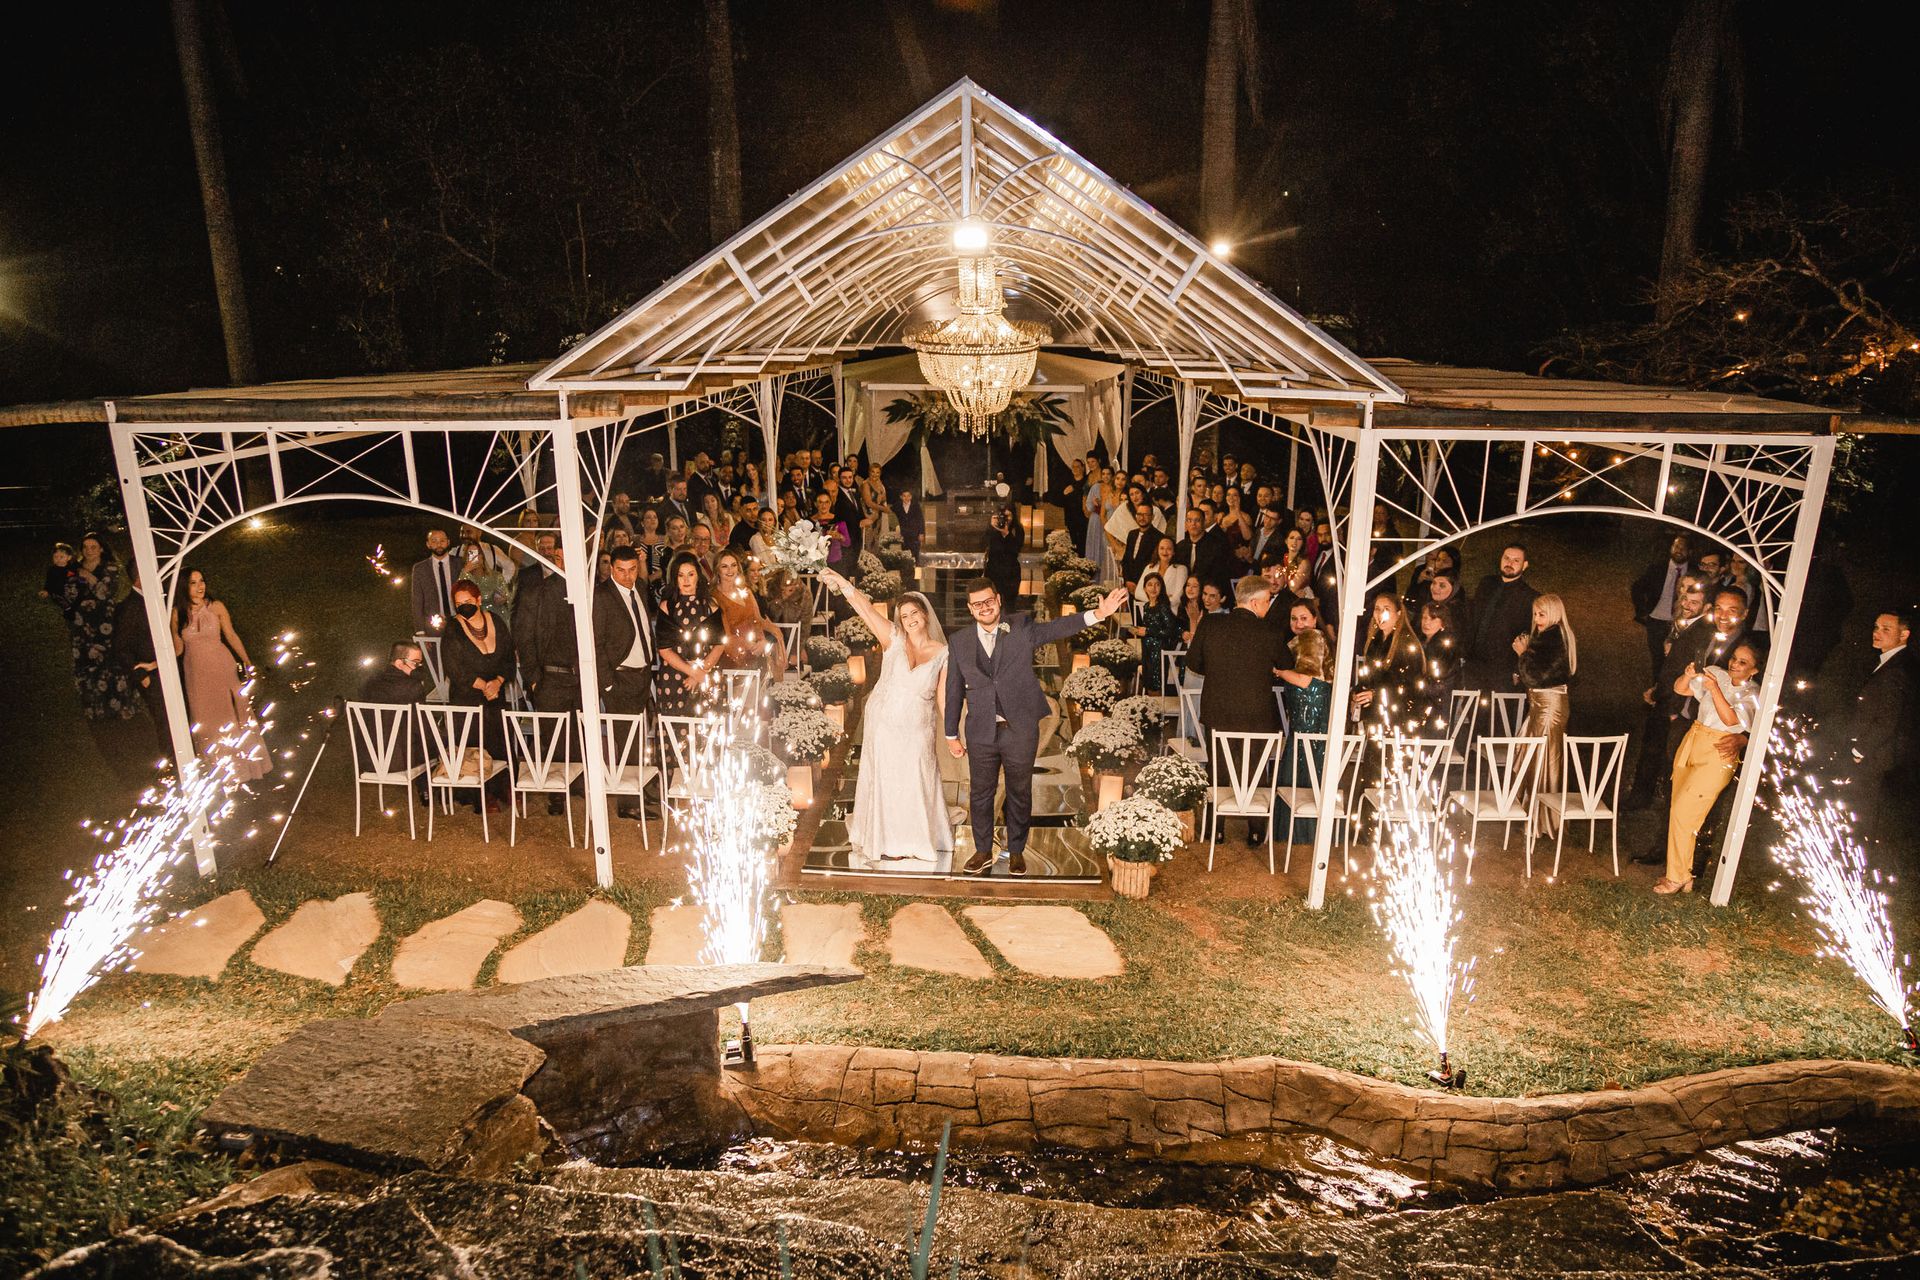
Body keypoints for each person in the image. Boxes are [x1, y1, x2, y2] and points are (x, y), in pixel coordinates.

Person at [946, 577, 1129, 876]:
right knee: (980, 793)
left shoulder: (1020, 628)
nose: (984, 607)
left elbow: (1057, 628)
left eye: (989, 601)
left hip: (1019, 729)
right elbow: (953, 689)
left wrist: (1099, 614)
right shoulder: (959, 642)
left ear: (998, 600)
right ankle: (982, 851)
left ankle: (1016, 851)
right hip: (980, 731)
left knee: (1019, 791)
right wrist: (951, 734)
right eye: (977, 604)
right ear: (970, 608)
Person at [818, 567, 952, 867]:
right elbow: (864, 608)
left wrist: (954, 734)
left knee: (915, 777)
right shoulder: (893, 638)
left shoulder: (943, 653)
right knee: (889, 779)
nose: (910, 619)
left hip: (918, 727)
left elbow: (943, 698)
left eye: (914, 613)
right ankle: (889, 840)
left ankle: (917, 837)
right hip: (884, 724)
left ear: (925, 615)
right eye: (904, 616)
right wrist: (842, 582)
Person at [1186, 576, 1292, 844]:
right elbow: (1285, 663)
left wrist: (1218, 669)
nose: (1268, 606)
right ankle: (1255, 830)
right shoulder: (1269, 631)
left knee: (1218, 769)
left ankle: (1215, 829)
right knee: (1255, 770)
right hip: (1257, 713)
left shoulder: (1211, 623)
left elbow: (1194, 662)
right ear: (1255, 602)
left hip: (1218, 709)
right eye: (1266, 601)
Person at [1660, 642, 1762, 894]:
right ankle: (1682, 873)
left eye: (1742, 662)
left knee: (1684, 812)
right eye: (1734, 658)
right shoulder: (1717, 673)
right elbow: (1680, 689)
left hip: (1718, 752)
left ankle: (1677, 877)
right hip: (1694, 741)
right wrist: (1688, 675)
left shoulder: (1753, 694)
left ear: (1754, 670)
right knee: (1678, 809)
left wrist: (1714, 688)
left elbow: (1732, 720)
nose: (1734, 664)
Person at [171, 567, 269, 783]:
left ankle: (243, 768)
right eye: (194, 583)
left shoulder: (216, 607)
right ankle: (217, 770)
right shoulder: (177, 612)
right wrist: (155, 662)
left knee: (230, 715)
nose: (200, 586)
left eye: (202, 581)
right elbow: (177, 649)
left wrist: (247, 661)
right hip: (196, 672)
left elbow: (230, 635)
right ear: (184, 587)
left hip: (221, 667)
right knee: (205, 719)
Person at [592, 546, 658, 819]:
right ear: (611, 568)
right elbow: (595, 643)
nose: (627, 576)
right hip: (619, 676)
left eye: (632, 569)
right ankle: (628, 802)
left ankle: (639, 786)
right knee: (626, 739)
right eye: (621, 570)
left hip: (641, 673)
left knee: (640, 736)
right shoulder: (601, 596)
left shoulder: (639, 587)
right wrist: (607, 684)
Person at [1844, 610, 1915, 850]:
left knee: (1864, 815)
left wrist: (1860, 750)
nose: (1877, 633)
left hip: (1876, 758)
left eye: (1886, 629)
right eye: (1876, 627)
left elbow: (1888, 720)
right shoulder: (1888, 662)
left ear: (1904, 634)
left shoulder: (1898, 670)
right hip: (1875, 757)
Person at [441, 579, 512, 813]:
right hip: (467, 698)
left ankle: (503, 788)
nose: (464, 607)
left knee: (499, 743)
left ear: (479, 600)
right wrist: (484, 686)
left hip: (495, 696)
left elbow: (508, 659)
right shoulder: (452, 629)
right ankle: (480, 796)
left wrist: (497, 682)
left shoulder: (496, 622)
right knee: (475, 746)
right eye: (458, 604)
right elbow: (454, 668)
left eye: (468, 601)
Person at [61, 533, 137, 722]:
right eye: (85, 547)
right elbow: (67, 594)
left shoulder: (109, 568)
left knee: (109, 665)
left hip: (104, 624)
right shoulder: (74, 568)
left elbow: (105, 593)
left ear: (101, 548)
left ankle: (118, 707)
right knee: (87, 666)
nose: (89, 551)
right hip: (81, 626)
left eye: (93, 547)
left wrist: (88, 576)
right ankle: (95, 710)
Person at [1514, 593, 1576, 818]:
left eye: (1542, 614)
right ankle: (1530, 811)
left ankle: (1545, 817)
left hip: (1549, 706)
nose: (1537, 619)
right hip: (1540, 704)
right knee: (1531, 754)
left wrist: (1523, 655)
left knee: (1545, 758)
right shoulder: (1548, 637)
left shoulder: (1554, 639)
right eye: (1535, 614)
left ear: (1554, 614)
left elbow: (1536, 677)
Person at [358, 640, 433, 803]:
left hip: (370, 759)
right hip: (398, 760)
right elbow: (421, 727)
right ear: (399, 663)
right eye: (416, 663)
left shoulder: (369, 682)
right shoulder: (413, 687)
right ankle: (427, 791)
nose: (419, 668)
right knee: (432, 743)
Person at [113, 567, 172, 764]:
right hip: (150, 675)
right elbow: (121, 646)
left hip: (168, 668)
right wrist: (140, 675)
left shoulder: (158, 599)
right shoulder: (129, 607)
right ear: (138, 578)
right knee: (164, 720)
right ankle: (173, 762)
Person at [653, 553, 722, 717]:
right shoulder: (667, 606)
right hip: (673, 677)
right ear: (675, 578)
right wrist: (692, 672)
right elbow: (664, 649)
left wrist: (700, 672)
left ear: (698, 576)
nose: (686, 580)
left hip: (705, 674)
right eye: (681, 575)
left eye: (690, 574)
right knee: (675, 727)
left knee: (706, 726)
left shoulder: (710, 605)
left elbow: (719, 644)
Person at [1353, 592, 1430, 737]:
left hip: (1400, 718)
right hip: (1378, 716)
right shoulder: (1375, 641)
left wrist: (1376, 695)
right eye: (1377, 609)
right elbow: (1369, 676)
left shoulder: (1406, 644)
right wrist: (1358, 693)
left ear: (1398, 614)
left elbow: (1408, 686)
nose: (1380, 614)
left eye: (1386, 609)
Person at [1467, 543, 1538, 696]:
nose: (1509, 563)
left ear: (1525, 565)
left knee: (1498, 710)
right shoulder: (1486, 583)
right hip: (1474, 664)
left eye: (1516, 560)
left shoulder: (1529, 597)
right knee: (1471, 708)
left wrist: (1517, 669)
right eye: (1506, 558)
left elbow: (1528, 635)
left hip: (1502, 670)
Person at [713, 548, 785, 678]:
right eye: (724, 566)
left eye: (733, 565)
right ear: (717, 570)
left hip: (757, 649)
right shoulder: (714, 596)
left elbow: (757, 619)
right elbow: (725, 634)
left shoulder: (746, 591)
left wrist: (763, 641)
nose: (730, 570)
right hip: (733, 656)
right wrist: (749, 645)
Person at [1632, 535, 1693, 681]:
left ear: (1690, 552)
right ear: (1671, 548)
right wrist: (1642, 610)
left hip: (1681, 622)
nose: (1679, 550)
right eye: (1676, 546)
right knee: (1658, 657)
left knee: (1677, 658)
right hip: (1657, 620)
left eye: (1683, 548)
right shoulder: (1657, 568)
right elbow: (1637, 587)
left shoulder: (1693, 572)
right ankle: (1657, 687)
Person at [1132, 571, 1183, 694]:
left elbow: (1170, 630)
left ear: (1161, 587)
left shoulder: (1163, 607)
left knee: (1156, 686)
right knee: (1148, 685)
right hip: (1147, 649)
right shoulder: (1146, 606)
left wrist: (1148, 631)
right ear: (1144, 588)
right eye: (1150, 585)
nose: (1153, 588)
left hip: (1159, 651)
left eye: (1157, 585)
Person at [410, 529, 458, 634]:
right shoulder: (420, 568)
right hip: (433, 625)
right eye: (434, 541)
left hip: (460, 623)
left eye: (442, 540)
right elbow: (417, 601)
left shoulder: (460, 564)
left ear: (448, 542)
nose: (439, 544)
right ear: (428, 544)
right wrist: (420, 631)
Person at [984, 504, 1023, 605]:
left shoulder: (1017, 529)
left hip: (1011, 571)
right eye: (1002, 516)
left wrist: (1006, 534)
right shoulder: (992, 529)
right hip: (994, 570)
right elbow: (984, 544)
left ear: (1013, 516)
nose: (1005, 519)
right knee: (993, 600)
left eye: (1008, 516)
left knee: (1010, 602)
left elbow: (1016, 550)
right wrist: (991, 527)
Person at [1135, 535, 1187, 608]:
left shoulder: (1181, 569)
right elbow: (1138, 593)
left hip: (1171, 612)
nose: (1165, 552)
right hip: (1150, 611)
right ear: (1157, 550)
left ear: (1174, 552)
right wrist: (1161, 599)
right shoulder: (1149, 567)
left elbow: (1178, 598)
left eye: (1169, 549)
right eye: (1162, 548)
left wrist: (1152, 598)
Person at [1118, 502, 1159, 584]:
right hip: (1128, 583)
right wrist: (1127, 581)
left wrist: (1138, 585)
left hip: (1146, 584)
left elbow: (1153, 565)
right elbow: (1126, 560)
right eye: (1139, 514)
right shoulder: (1132, 534)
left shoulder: (1158, 537)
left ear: (1152, 517)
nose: (1142, 518)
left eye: (1145, 515)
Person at [811, 491, 850, 567]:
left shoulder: (838, 519)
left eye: (827, 502)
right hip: (815, 562)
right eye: (820, 502)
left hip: (835, 563)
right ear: (815, 504)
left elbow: (847, 543)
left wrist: (839, 536)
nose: (824, 505)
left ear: (830, 503)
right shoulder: (809, 522)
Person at [893, 486, 926, 559]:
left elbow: (920, 519)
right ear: (901, 497)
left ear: (911, 497)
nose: (906, 498)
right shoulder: (898, 506)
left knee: (915, 554)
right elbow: (889, 511)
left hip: (915, 534)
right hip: (904, 534)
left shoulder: (916, 506)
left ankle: (916, 564)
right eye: (904, 496)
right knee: (905, 554)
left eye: (908, 496)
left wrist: (921, 533)